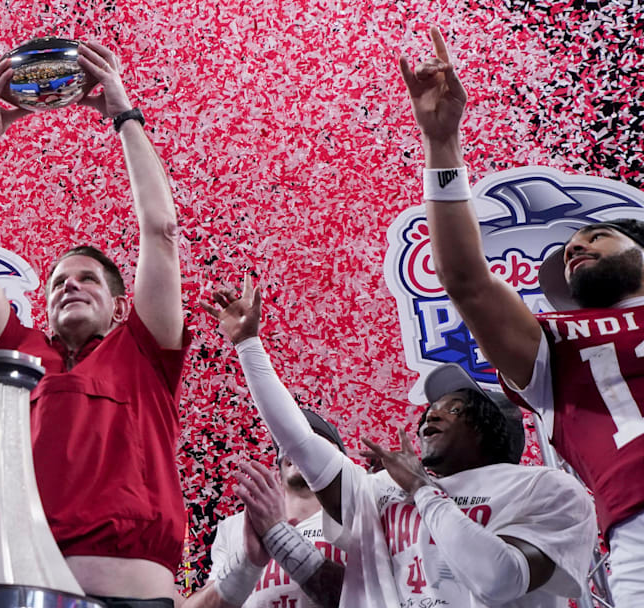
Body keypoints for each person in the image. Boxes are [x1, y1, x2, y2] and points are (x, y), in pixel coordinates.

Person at [0, 40, 188, 605]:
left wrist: (125, 116)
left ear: (117, 305)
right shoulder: (17, 352)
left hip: (134, 592)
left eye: (88, 279)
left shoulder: (145, 350)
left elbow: (159, 229)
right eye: (59, 281)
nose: (70, 286)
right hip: (24, 587)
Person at [403, 26, 644, 603]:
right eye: (570, 247)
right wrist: (441, 144)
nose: (577, 247)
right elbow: (465, 280)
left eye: (599, 235)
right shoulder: (553, 347)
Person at [203, 278, 596, 607]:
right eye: (429, 409)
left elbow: (497, 578)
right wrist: (248, 344)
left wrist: (423, 491)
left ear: (493, 427)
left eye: (454, 408)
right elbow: (300, 439)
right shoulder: (378, 492)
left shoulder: (545, 489)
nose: (430, 414)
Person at [184, 412, 347, 608]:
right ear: (278, 471)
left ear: (342, 465)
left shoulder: (361, 517)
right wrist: (246, 563)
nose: (300, 445)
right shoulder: (237, 526)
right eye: (290, 441)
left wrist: (280, 537)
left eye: (316, 440)